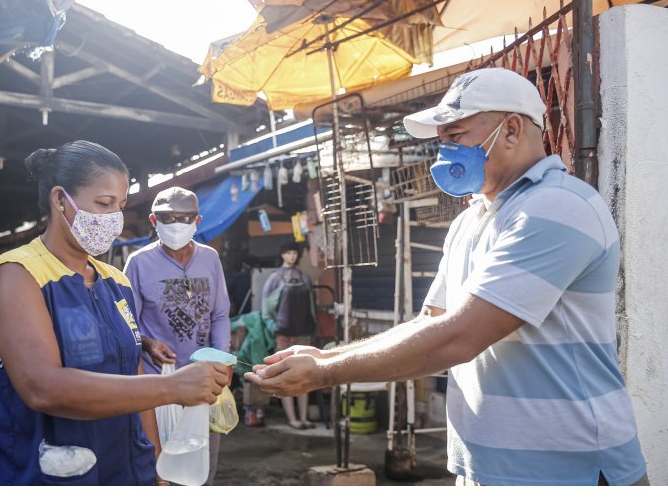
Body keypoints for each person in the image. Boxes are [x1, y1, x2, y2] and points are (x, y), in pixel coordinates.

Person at [246, 68, 649, 486]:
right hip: (483, 469)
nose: (445, 153)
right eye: (442, 142)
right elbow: (430, 323)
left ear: (511, 130)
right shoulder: (470, 221)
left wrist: (328, 374)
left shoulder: (556, 206)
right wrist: (323, 356)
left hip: (570, 471)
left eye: (455, 136)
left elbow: (462, 335)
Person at [0, 141, 229, 485]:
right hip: (41, 478)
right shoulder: (18, 275)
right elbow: (42, 388)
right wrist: (172, 388)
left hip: (122, 473)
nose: (114, 219)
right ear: (60, 200)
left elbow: (136, 383)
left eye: (120, 206)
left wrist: (154, 464)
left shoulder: (115, 282)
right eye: (104, 204)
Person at [123, 186, 231, 485]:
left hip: (203, 381)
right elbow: (127, 323)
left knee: (200, 468)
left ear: (197, 222)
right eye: (167, 217)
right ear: (153, 221)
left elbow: (220, 314)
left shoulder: (210, 259)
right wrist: (148, 343)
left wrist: (223, 360)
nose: (176, 224)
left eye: (185, 218)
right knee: (162, 470)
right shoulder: (139, 262)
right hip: (160, 385)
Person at [261, 241, 317, 430]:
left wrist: (313, 326)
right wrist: (273, 327)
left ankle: (303, 416)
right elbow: (266, 310)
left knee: (305, 376)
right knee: (285, 376)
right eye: (288, 252)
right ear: (282, 255)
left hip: (304, 333)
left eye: (294, 253)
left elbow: (312, 305)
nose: (292, 256)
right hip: (283, 335)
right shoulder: (275, 279)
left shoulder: (305, 277)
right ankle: (292, 418)